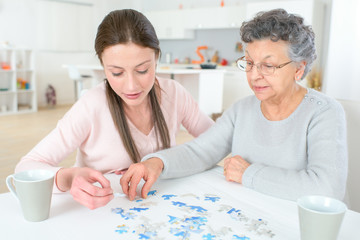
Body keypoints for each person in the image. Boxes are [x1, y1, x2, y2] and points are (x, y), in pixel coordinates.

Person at [120, 8, 348, 202]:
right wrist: (157, 162)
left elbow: (327, 189)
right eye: (249, 63)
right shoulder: (242, 110)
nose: (255, 75)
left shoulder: (323, 112)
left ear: (299, 69)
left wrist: (248, 174)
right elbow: (201, 151)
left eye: (268, 66)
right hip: (250, 214)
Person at [15, 9, 214, 209]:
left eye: (142, 70)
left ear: (157, 58)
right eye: (117, 73)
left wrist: (160, 161)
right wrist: (67, 177)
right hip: (102, 213)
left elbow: (218, 141)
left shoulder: (174, 94)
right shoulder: (91, 105)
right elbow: (25, 168)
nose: (131, 86)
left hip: (159, 209)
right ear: (103, 66)